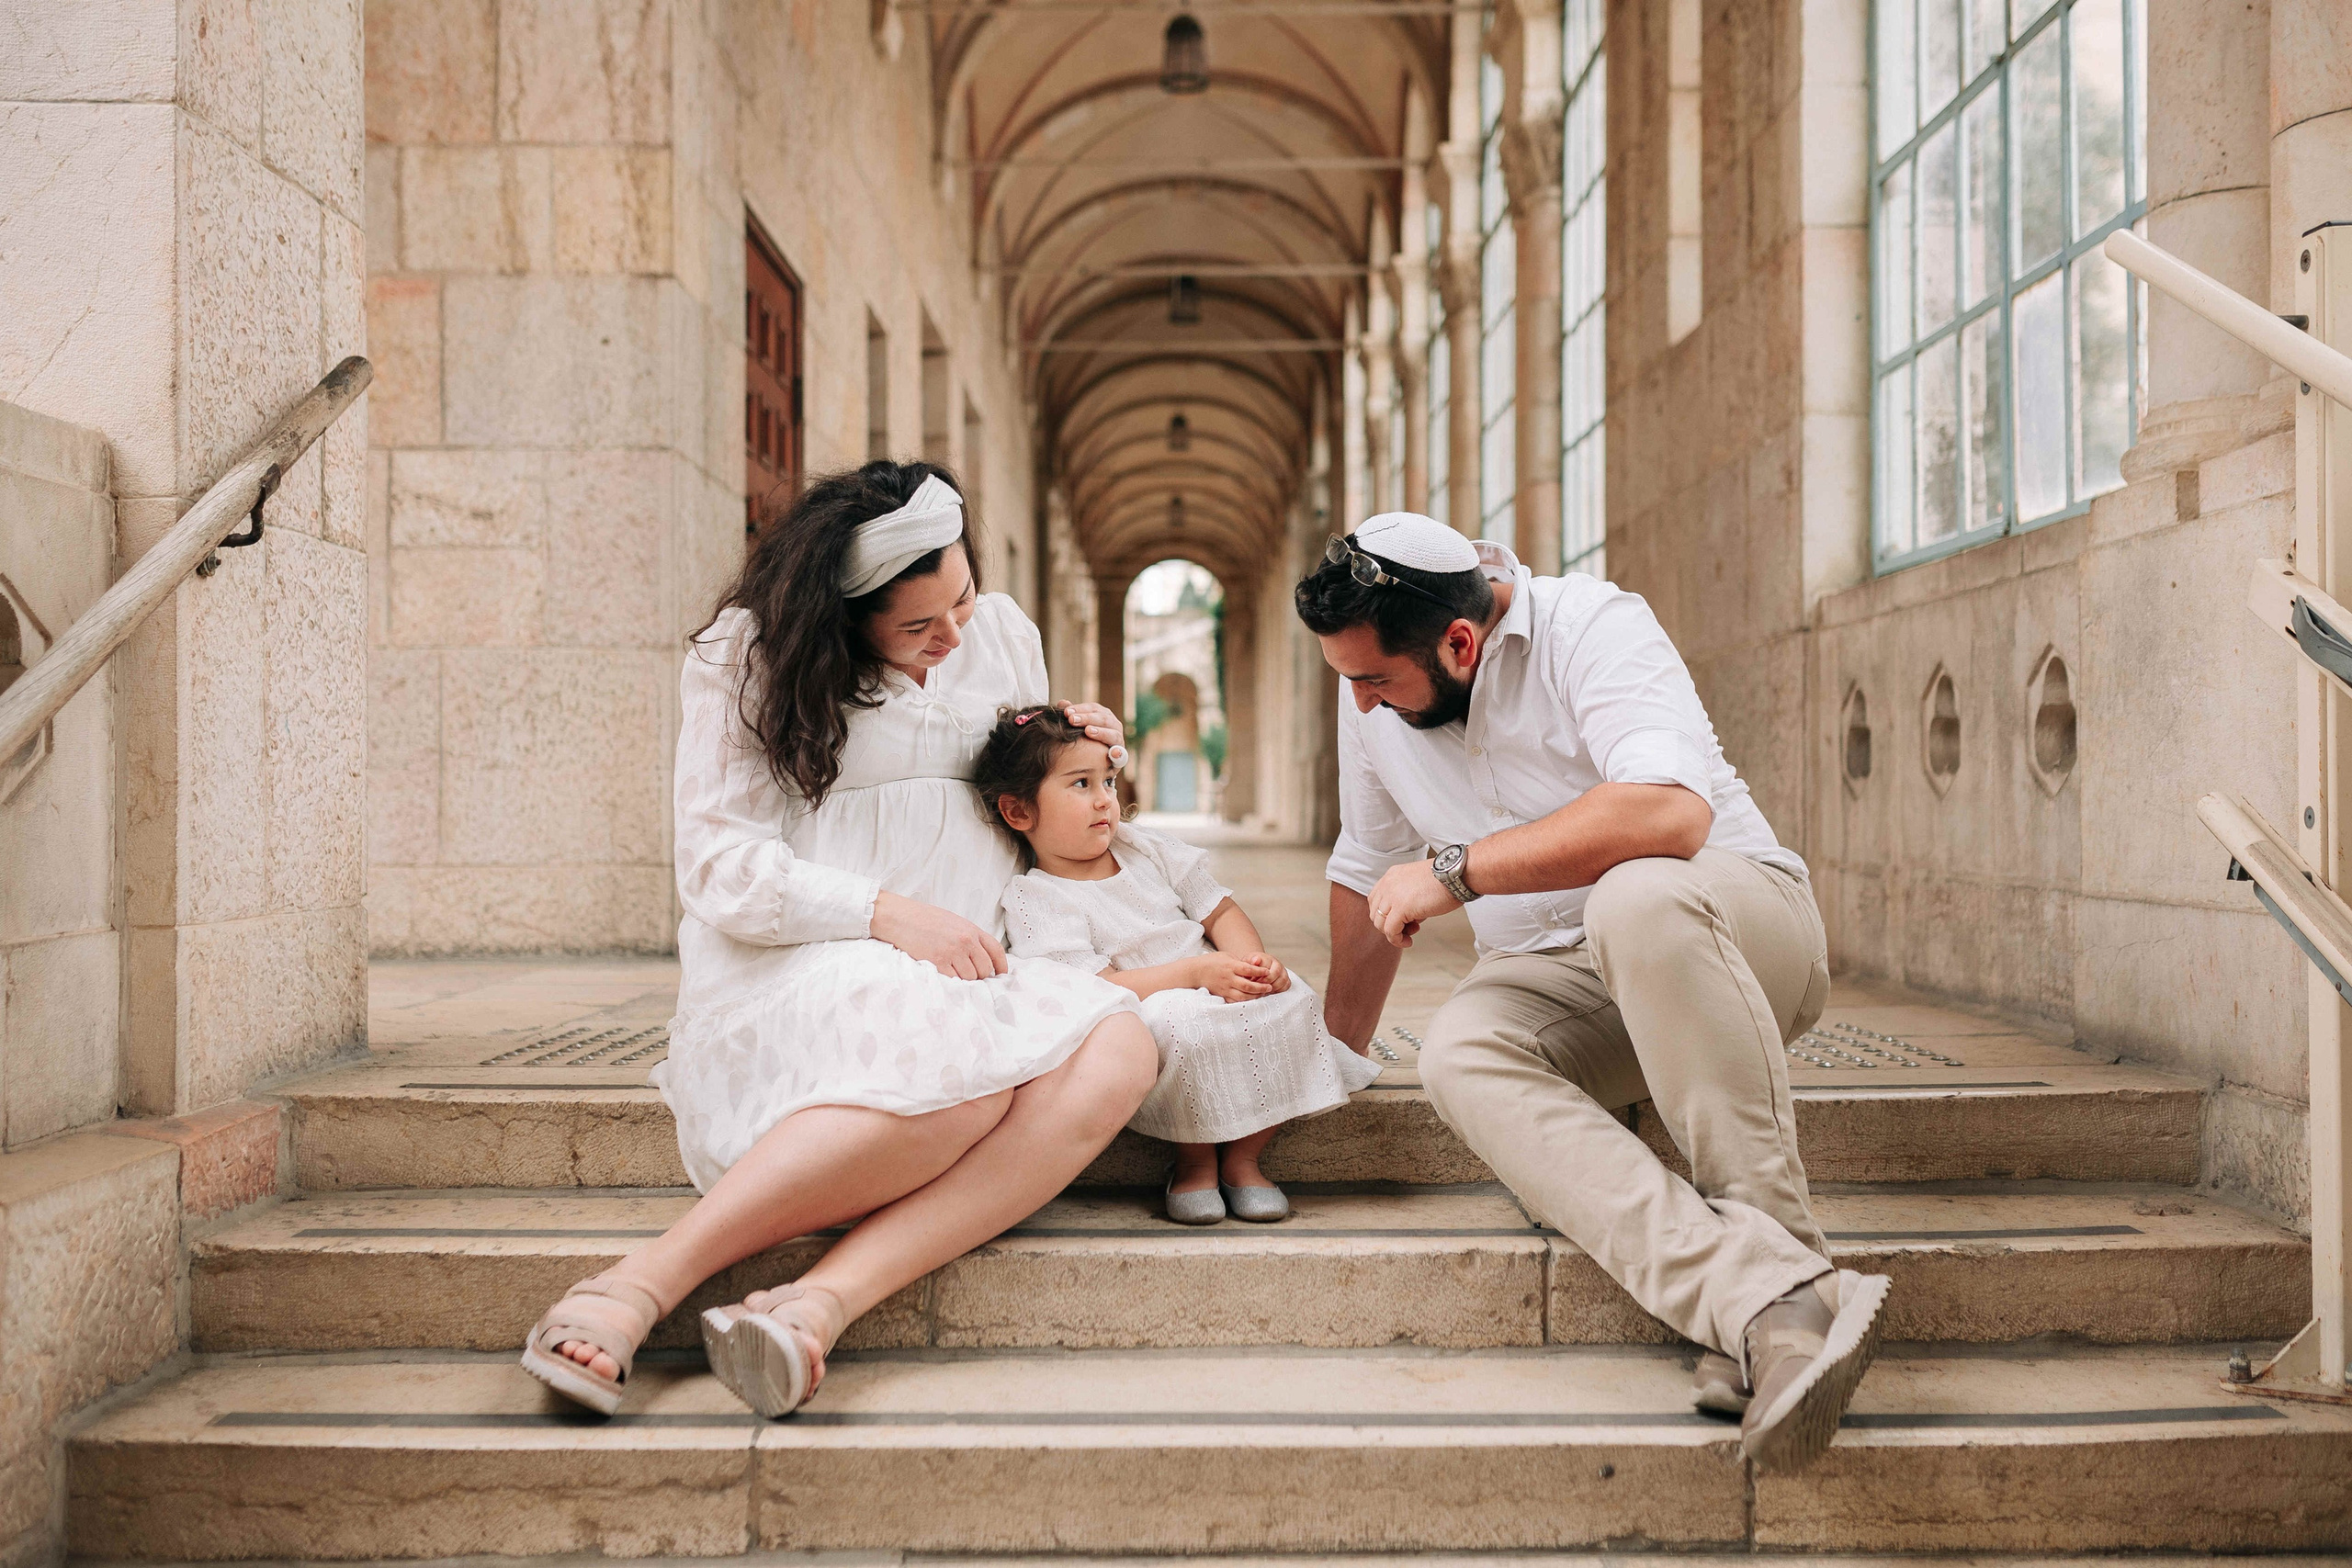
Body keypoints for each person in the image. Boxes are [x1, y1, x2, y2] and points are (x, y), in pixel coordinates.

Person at [519, 461, 1159, 1419]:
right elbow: (717, 865)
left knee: (1124, 1046)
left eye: (962, 600)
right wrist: (887, 913)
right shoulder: (747, 654)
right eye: (915, 626)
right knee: (952, 1067)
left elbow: (1034, 797)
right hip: (806, 969)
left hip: (976, 968)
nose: (951, 637)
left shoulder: (1002, 632)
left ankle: (815, 1307)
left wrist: (1084, 749)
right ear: (841, 621)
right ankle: (638, 1285)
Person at [1295, 511, 1891, 1473]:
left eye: (1373, 681)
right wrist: (1331, 1060)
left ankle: (1779, 1242)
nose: (1360, 705)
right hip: (1556, 977)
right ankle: (1766, 1298)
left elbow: (1667, 810)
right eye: (1346, 681)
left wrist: (1455, 870)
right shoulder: (1369, 690)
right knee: (1456, 1054)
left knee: (1637, 893)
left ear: (1458, 641)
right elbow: (1365, 864)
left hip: (1731, 931)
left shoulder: (1592, 624)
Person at [974, 705, 1380, 1224]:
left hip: (1213, 979)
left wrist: (1249, 963)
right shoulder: (1038, 898)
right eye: (1081, 784)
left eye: (1109, 781)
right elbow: (1095, 988)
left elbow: (1220, 909)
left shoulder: (1144, 848)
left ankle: (1244, 1158)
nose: (1105, 800)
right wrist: (1192, 976)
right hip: (1146, 1001)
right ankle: (1193, 1163)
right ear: (1019, 813)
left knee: (1293, 996)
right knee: (1175, 1026)